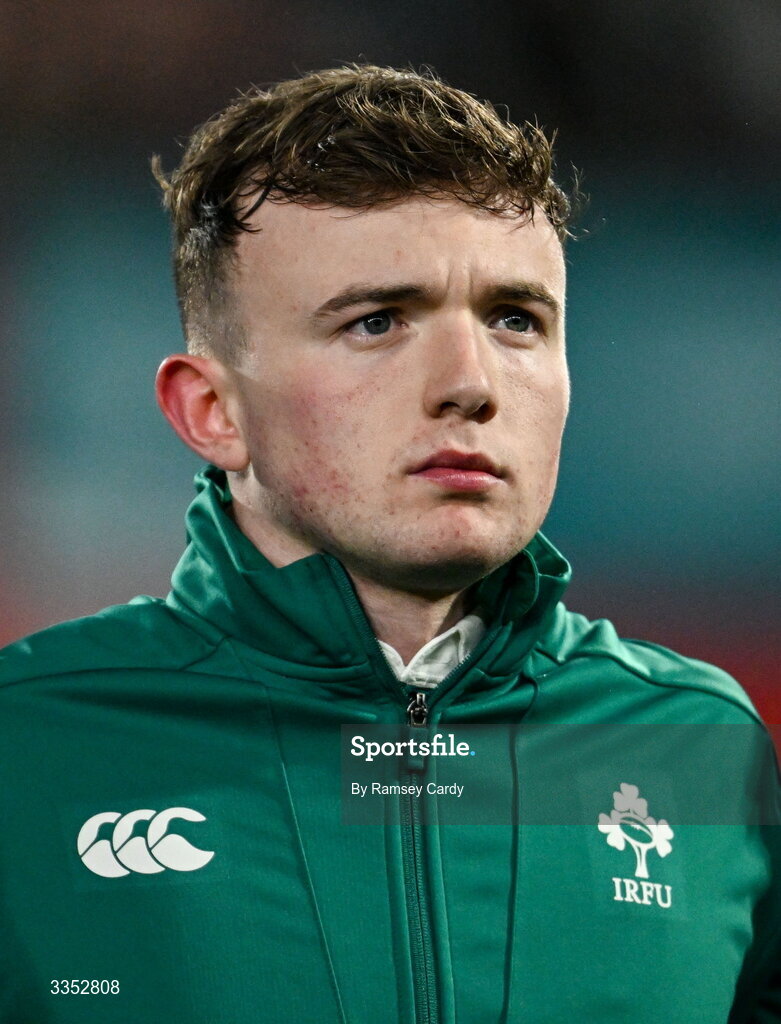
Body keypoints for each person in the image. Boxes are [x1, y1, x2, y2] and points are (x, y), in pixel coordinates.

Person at [0, 64, 778, 1024]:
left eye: (513, 319)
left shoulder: (697, 746)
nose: (470, 383)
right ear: (212, 412)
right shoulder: (27, 746)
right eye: (376, 321)